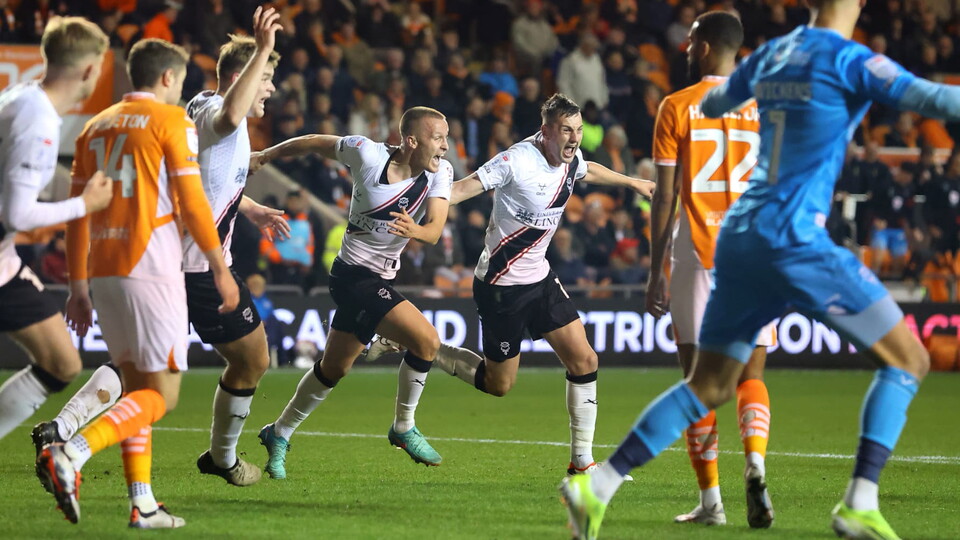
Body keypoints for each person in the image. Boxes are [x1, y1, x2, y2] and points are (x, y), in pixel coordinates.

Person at [558, 0, 960, 537]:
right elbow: (937, 100)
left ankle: (598, 486)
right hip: (795, 237)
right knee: (909, 359)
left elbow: (717, 100)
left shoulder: (772, 55)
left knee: (707, 385)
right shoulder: (851, 60)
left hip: (739, 239)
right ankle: (860, 501)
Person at [32, 7, 290, 490]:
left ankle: (63, 430)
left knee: (136, 363)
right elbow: (229, 117)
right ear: (242, 76)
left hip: (162, 260)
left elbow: (202, 181)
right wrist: (262, 49)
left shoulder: (195, 109)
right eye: (266, 78)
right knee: (250, 359)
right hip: (199, 265)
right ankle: (218, 458)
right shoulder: (219, 112)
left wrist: (250, 208)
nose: (271, 89)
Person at [371, 94, 654, 477]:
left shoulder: (569, 159)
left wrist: (634, 182)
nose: (574, 138)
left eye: (578, 130)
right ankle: (421, 346)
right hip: (501, 287)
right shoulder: (516, 161)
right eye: (566, 130)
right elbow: (461, 189)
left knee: (585, 360)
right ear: (546, 131)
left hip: (540, 279)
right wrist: (410, 201)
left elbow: (589, 170)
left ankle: (582, 462)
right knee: (498, 384)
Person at [35, 37, 239, 528]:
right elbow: (193, 201)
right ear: (168, 77)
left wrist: (78, 287)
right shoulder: (171, 121)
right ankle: (72, 452)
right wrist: (219, 267)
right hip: (151, 269)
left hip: (105, 270)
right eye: (181, 81)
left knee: (136, 388)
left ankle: (143, 504)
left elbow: (79, 215)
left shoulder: (93, 127)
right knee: (161, 396)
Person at [251, 106, 455, 478]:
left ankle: (277, 433)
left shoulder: (440, 173)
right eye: (438, 138)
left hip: (381, 281)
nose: (445, 146)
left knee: (333, 369)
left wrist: (416, 231)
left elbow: (434, 230)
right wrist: (265, 155)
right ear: (411, 141)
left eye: (446, 138)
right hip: (351, 276)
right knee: (427, 342)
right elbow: (312, 142)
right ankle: (404, 426)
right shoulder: (367, 153)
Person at [645, 12, 776, 528]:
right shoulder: (764, 104)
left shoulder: (676, 105)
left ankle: (712, 503)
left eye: (690, 42)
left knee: (697, 381)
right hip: (752, 253)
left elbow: (664, 197)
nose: (684, 49)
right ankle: (756, 463)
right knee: (751, 374)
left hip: (697, 251)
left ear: (702, 47)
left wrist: (656, 269)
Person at [0, 17, 113, 442]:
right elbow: (17, 215)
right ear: (90, 69)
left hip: (4, 260)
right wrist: (85, 204)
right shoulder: (39, 121)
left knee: (62, 362)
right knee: (60, 363)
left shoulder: (20, 96)